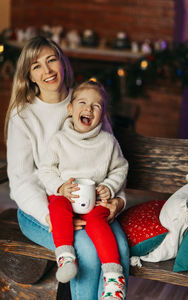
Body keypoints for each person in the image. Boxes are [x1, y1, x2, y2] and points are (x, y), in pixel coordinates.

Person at [4, 36, 130, 300]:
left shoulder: (86, 101)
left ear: (63, 63)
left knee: (119, 247)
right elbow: (21, 181)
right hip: (46, 210)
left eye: (52, 60)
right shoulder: (24, 115)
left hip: (92, 206)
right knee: (86, 252)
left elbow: (111, 159)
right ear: (30, 75)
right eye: (37, 65)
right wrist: (54, 218)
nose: (47, 70)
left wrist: (117, 201)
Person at [38, 80, 129, 299]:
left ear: (102, 114)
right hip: (66, 198)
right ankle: (66, 257)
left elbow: (120, 168)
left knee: (100, 221)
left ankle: (114, 278)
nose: (88, 108)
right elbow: (46, 169)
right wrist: (60, 187)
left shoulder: (108, 142)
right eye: (82, 102)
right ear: (70, 109)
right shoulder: (59, 140)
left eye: (96, 106)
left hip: (93, 200)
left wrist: (109, 186)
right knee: (56, 206)